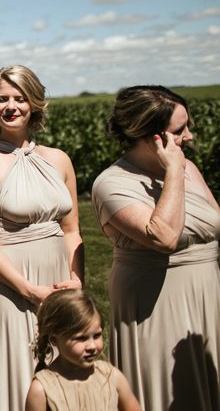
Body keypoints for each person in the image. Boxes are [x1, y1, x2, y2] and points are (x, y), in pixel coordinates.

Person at [92, 85, 219, 410]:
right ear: (153, 137)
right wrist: (173, 170)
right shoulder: (112, 182)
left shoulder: (190, 169)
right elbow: (163, 237)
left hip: (207, 293)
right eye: (180, 130)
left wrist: (180, 168)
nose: (189, 136)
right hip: (155, 304)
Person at [0, 65, 84, 411]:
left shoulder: (59, 159)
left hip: (59, 281)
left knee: (64, 374)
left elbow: (72, 229)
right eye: (2, 99)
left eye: (19, 98)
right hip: (11, 289)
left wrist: (76, 282)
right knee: (18, 374)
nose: (10, 106)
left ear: (34, 102)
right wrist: (29, 290)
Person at [26, 289, 141, 411]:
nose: (92, 346)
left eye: (97, 335)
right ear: (55, 339)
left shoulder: (112, 377)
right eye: (81, 338)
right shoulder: (42, 390)